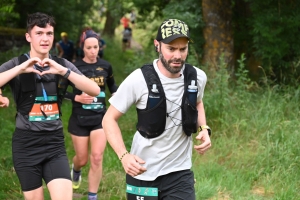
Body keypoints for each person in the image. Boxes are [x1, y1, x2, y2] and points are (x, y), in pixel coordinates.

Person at [102, 18, 212, 200]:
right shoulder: (139, 79)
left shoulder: (197, 77)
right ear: (157, 45)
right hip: (143, 172)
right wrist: (124, 156)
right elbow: (108, 119)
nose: (177, 56)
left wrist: (203, 129)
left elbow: (197, 102)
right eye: (171, 49)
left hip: (180, 173)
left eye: (182, 49)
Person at [0, 12, 100, 200]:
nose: (45, 39)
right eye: (39, 33)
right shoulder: (17, 64)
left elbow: (94, 90)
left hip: (54, 144)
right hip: (26, 145)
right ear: (28, 36)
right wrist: (20, 69)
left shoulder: (62, 64)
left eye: (49, 33)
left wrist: (63, 71)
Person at [64, 29, 118, 200]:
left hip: (99, 118)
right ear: (83, 48)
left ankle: (92, 196)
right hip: (79, 119)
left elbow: (112, 87)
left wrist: (117, 97)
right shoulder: (74, 67)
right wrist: (77, 97)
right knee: (82, 159)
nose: (93, 51)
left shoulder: (106, 66)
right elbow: (60, 91)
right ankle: (77, 169)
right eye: (89, 48)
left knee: (96, 157)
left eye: (96, 47)